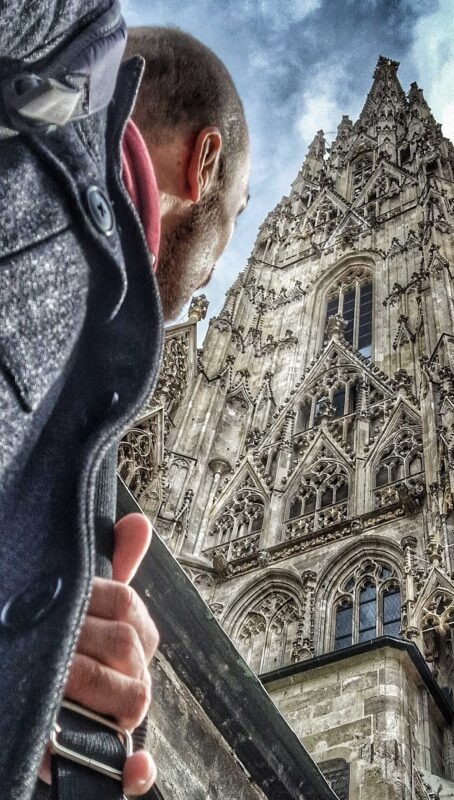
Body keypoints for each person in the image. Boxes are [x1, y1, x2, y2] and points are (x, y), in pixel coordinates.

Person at [0, 7, 249, 799]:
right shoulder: (54, 36)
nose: (219, 265)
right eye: (237, 215)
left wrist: (23, 692)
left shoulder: (102, 365)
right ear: (203, 161)